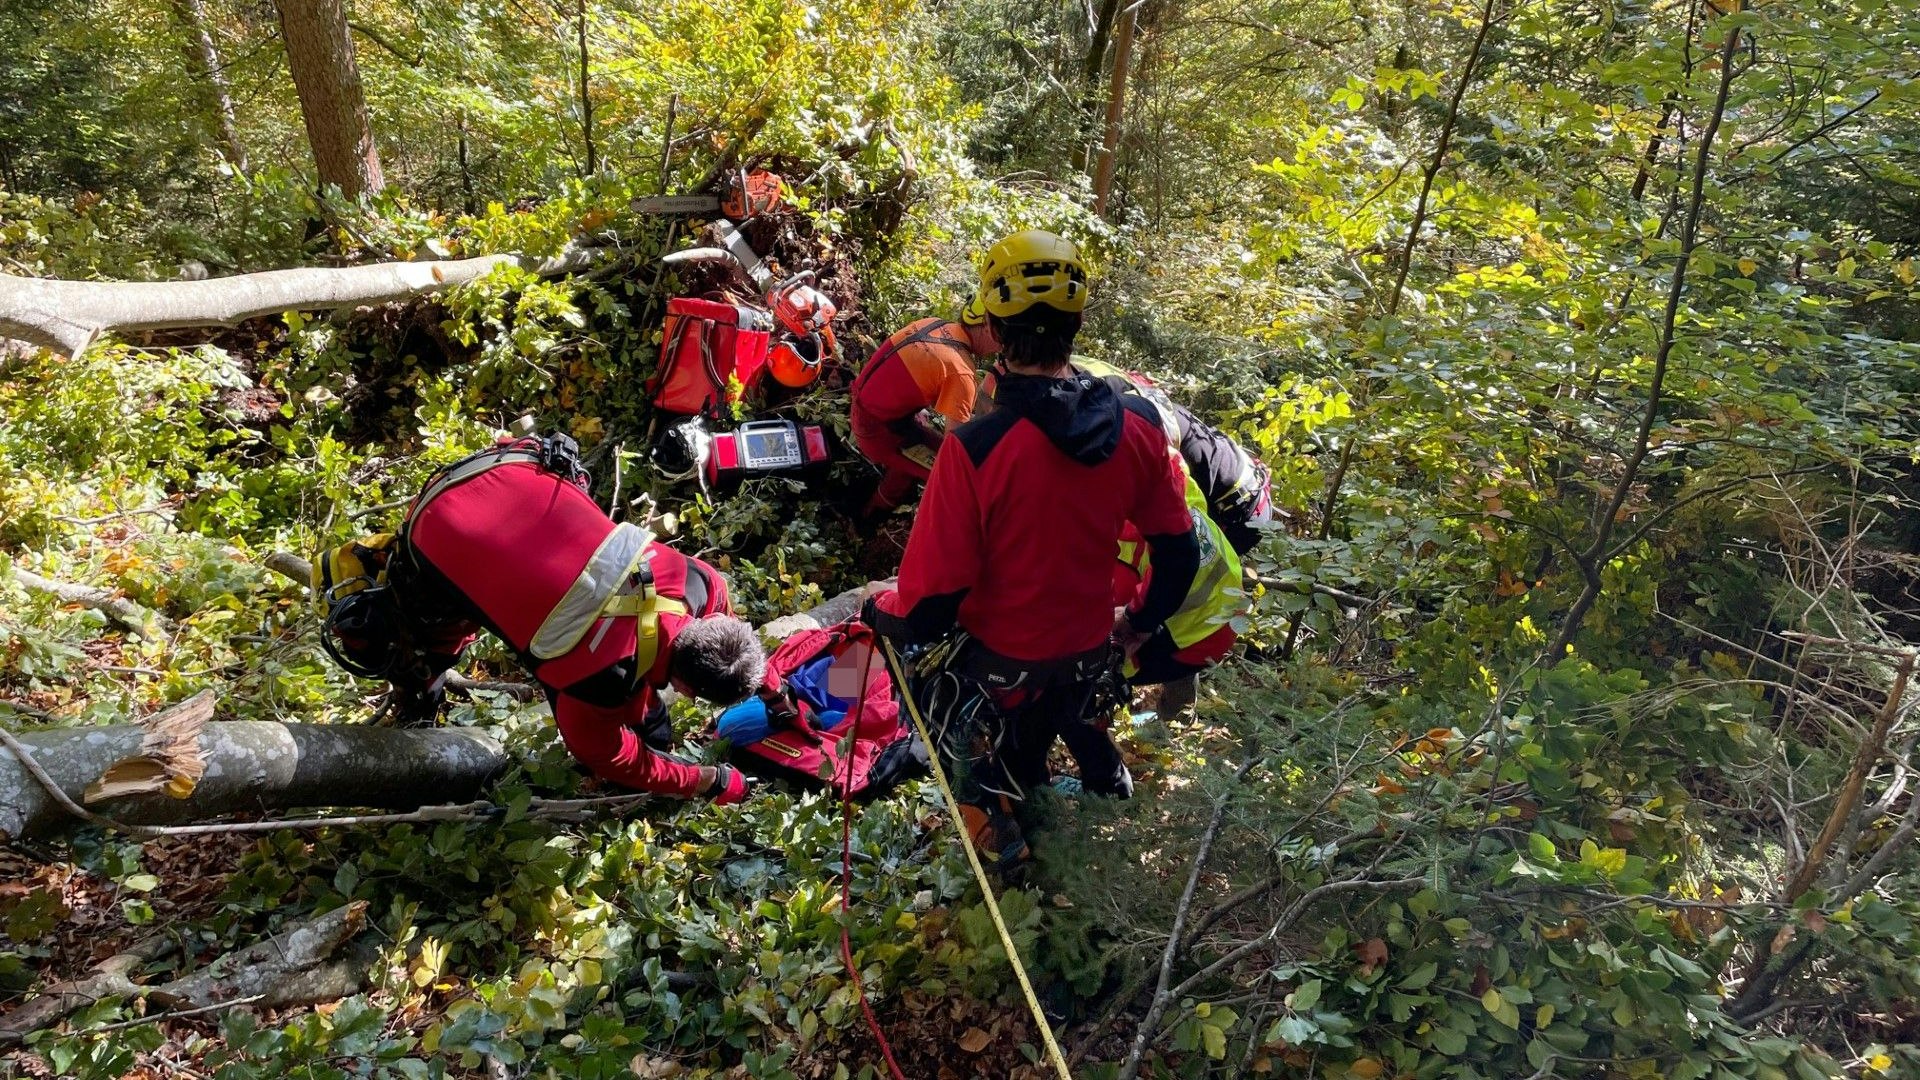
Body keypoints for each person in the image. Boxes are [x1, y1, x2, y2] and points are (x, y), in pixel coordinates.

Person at [863, 229, 1201, 872]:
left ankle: (1001, 843)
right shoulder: (1138, 426)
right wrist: (1135, 623)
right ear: (1076, 322)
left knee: (953, 721)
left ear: (992, 321)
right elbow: (1179, 555)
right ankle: (1090, 803)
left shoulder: (975, 450)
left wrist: (880, 612)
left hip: (1000, 665)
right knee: (1049, 723)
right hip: (1085, 651)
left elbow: (931, 608)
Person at [311, 433, 764, 804]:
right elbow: (619, 761)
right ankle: (418, 694)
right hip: (436, 535)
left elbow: (670, 645)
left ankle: (647, 715)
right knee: (415, 645)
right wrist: (708, 781)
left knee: (612, 673)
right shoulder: (599, 685)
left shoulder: (702, 584)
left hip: (506, 469)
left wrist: (776, 691)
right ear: (685, 687)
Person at [848, 306, 998, 521]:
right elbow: (953, 452)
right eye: (1001, 339)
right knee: (954, 479)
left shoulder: (934, 323)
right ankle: (870, 522)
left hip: (866, 410)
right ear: (987, 329)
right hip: (878, 433)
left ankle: (880, 503)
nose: (999, 348)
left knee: (917, 453)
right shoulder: (961, 371)